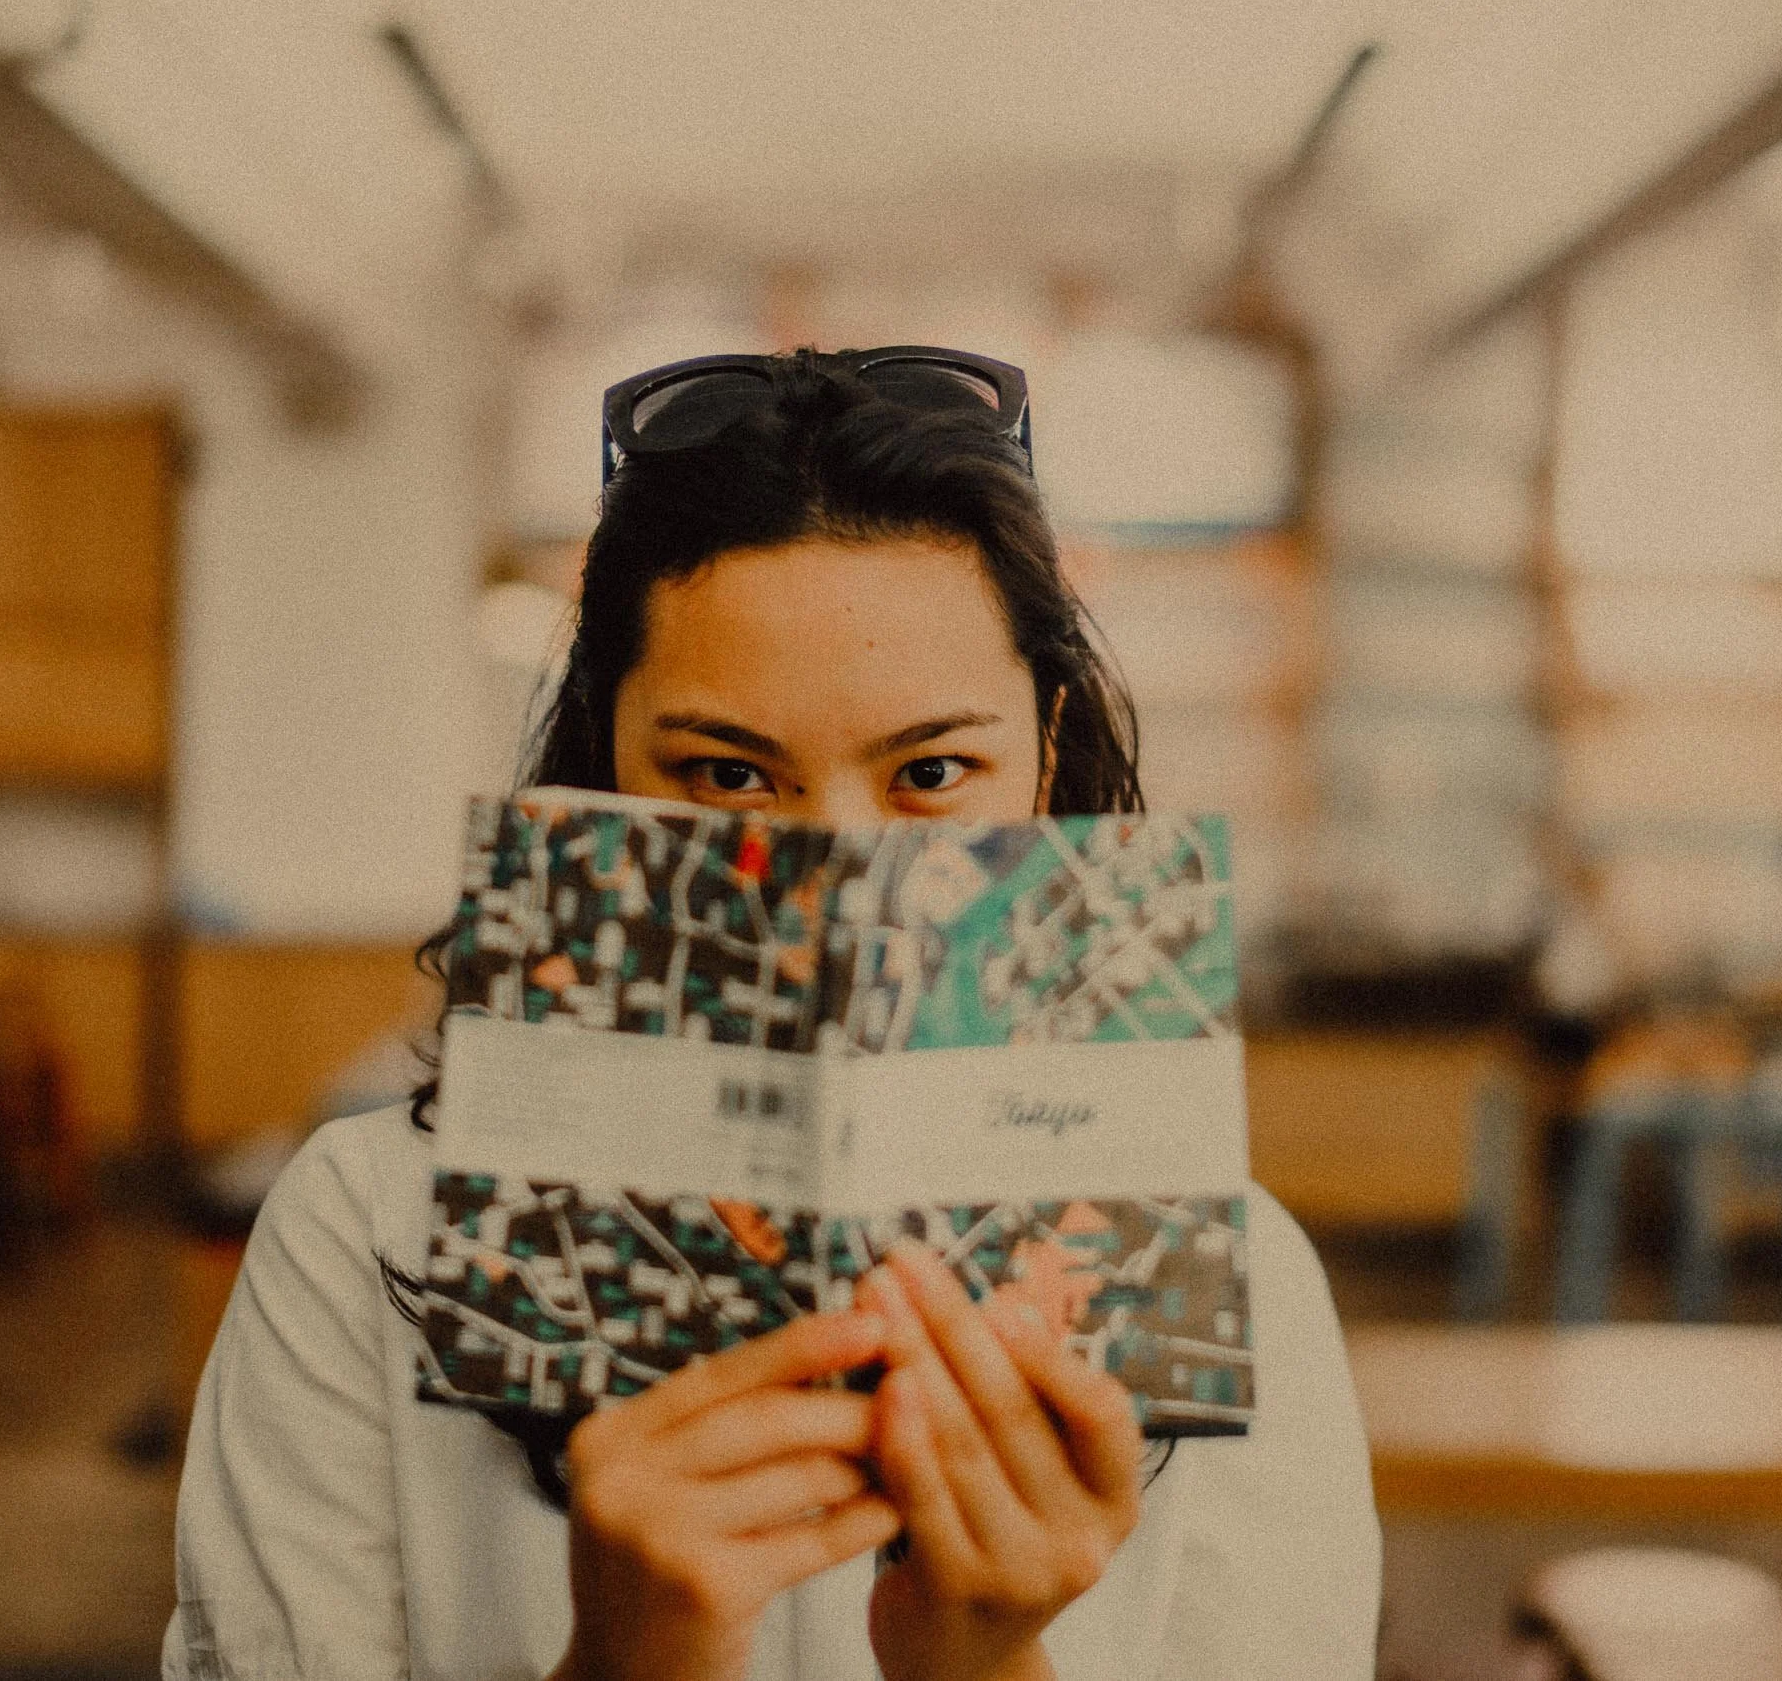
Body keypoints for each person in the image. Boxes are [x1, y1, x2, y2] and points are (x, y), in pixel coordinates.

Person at [166, 347, 1380, 1681]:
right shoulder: (360, 1233)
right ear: (606, 764)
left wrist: (986, 1669)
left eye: (932, 771)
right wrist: (627, 1665)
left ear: (1042, 755)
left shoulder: (1235, 1285)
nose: (833, 884)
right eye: (729, 775)